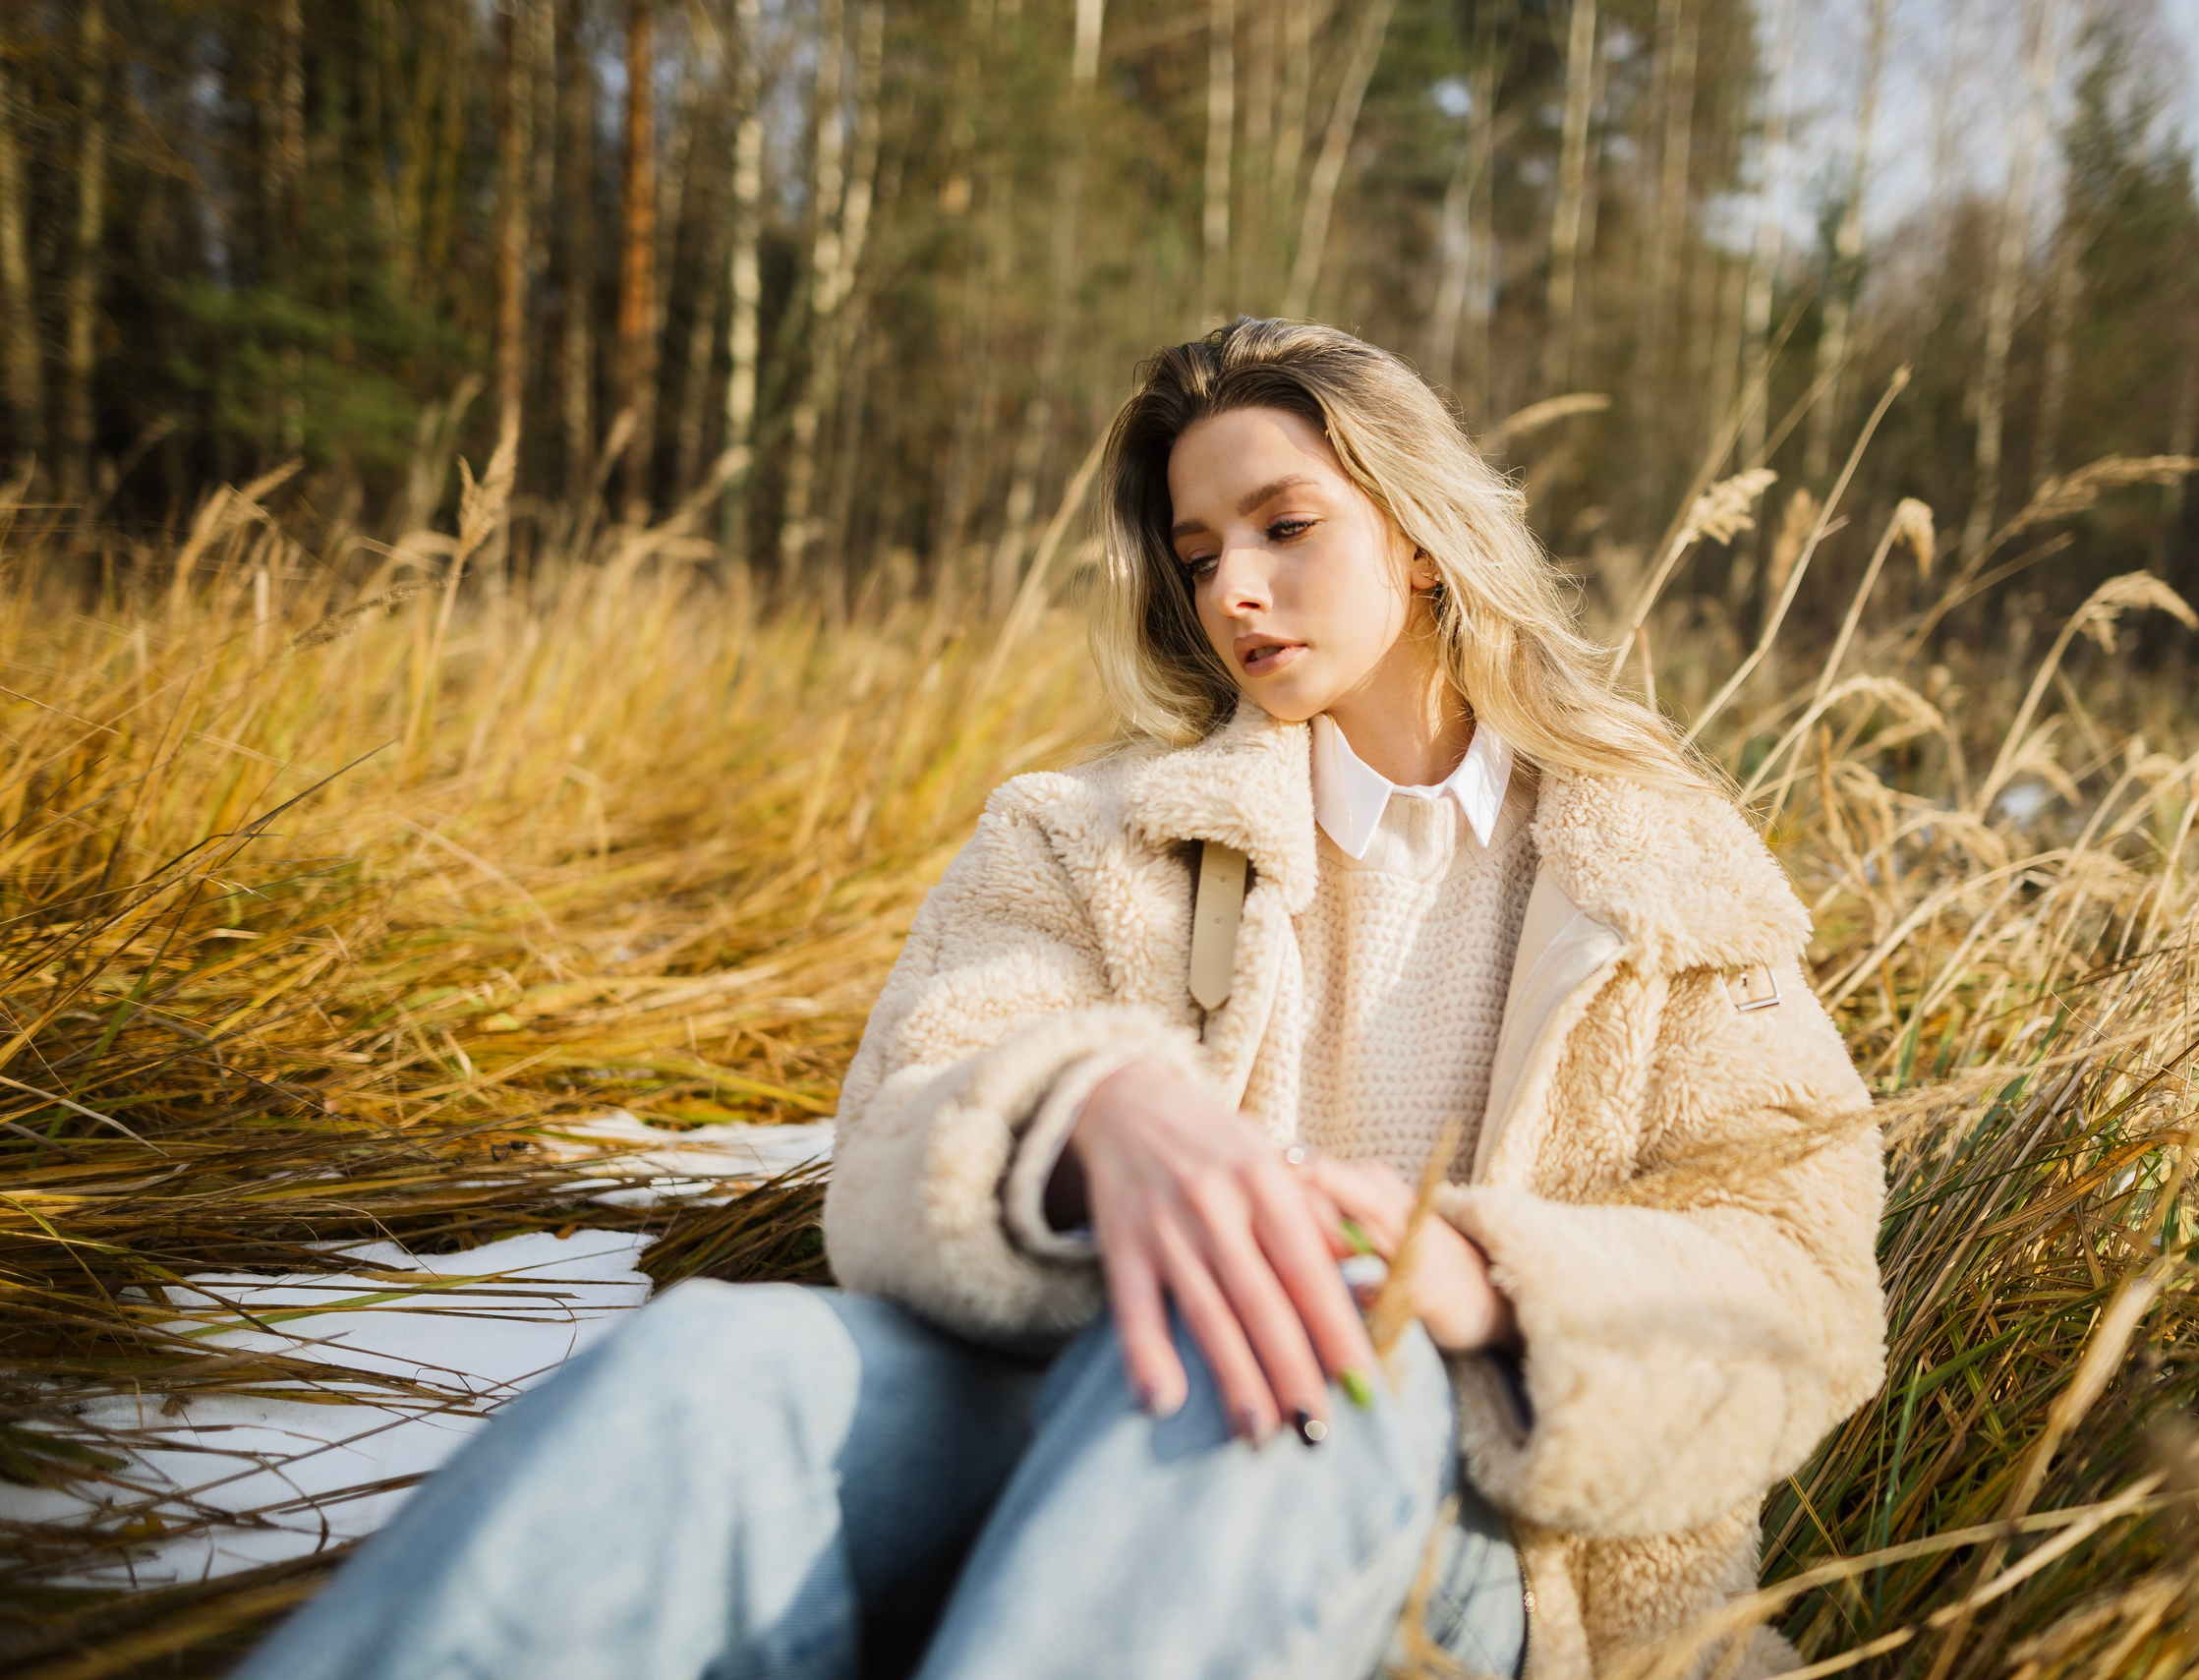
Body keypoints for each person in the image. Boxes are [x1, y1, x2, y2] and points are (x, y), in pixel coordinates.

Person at [237, 319, 1883, 1680]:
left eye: (1285, 527)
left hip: (1488, 1553)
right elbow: (899, 1127)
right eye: (1198, 552)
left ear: (1421, 532)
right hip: (1063, 1408)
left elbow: (1802, 1274)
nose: (1232, 589)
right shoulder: (1086, 833)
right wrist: (1090, 1113)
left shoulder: (1655, 866)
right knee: (718, 1371)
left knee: (1291, 1358)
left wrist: (1468, 1271)